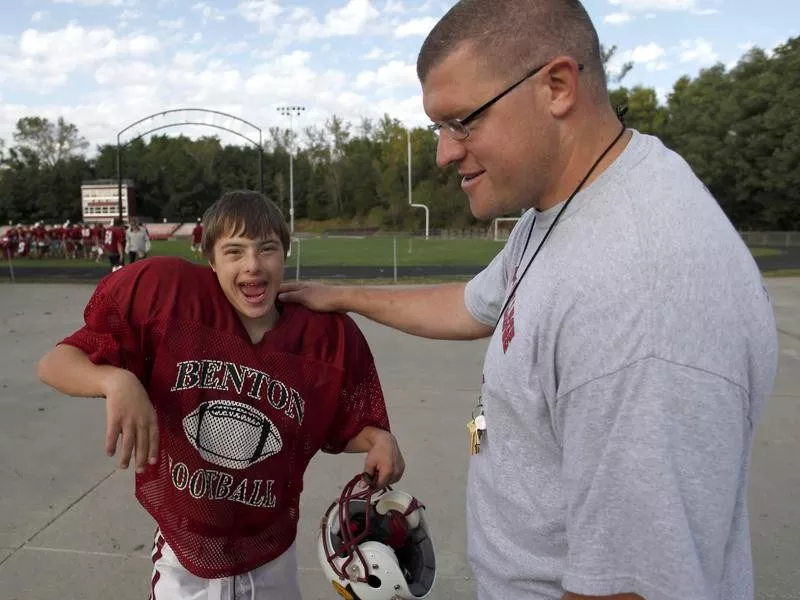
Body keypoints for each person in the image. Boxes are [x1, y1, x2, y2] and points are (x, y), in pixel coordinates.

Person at [277, 1, 779, 599]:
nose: (443, 152)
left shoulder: (638, 298)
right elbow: (473, 305)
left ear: (557, 86)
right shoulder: (562, 205)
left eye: (462, 121)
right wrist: (344, 296)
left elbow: (630, 587)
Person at [37, 190, 404, 600]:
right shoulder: (173, 304)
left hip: (272, 555)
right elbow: (55, 363)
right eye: (234, 251)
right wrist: (115, 381)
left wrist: (378, 439)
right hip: (184, 553)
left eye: (267, 249)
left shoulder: (322, 338)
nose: (252, 265)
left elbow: (336, 426)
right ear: (211, 261)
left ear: (285, 253)